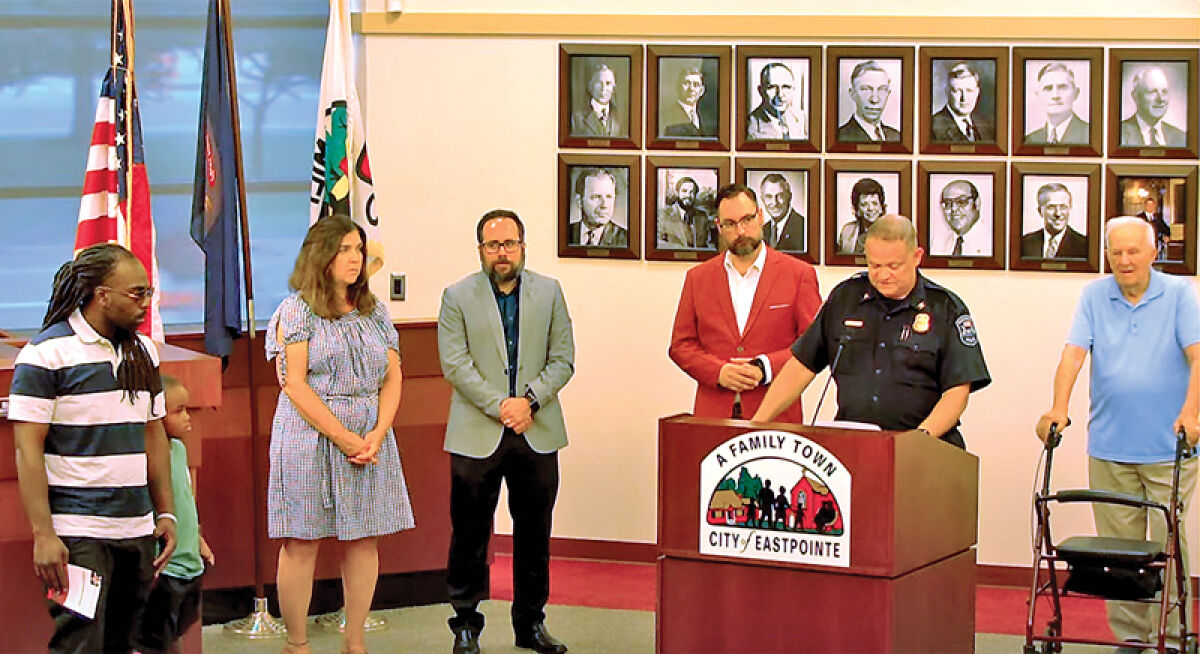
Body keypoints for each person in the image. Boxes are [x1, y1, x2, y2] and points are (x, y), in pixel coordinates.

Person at [1034, 216, 1199, 654]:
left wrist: (1190, 411)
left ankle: (1178, 633)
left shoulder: (1180, 294)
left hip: (1169, 447)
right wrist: (1058, 408)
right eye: (1115, 252)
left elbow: (1199, 356)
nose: (1124, 261)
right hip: (1110, 444)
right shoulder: (1094, 295)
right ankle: (1131, 637)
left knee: (1167, 543)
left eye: (1133, 251)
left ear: (1153, 252)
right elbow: (1072, 356)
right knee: (1120, 550)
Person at [9, 243, 177, 654]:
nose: (145, 303)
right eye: (137, 294)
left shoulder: (143, 352)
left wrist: (167, 511)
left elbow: (154, 434)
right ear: (102, 295)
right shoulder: (46, 354)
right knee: (80, 644)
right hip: (78, 533)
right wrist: (43, 534)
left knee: (124, 643)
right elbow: (27, 450)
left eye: (149, 293)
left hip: (136, 529)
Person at [266, 215, 414, 654]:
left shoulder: (374, 311)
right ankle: (297, 644)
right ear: (321, 256)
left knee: (363, 538)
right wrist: (344, 438)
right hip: (308, 437)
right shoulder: (295, 310)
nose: (355, 258)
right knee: (302, 540)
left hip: (370, 436)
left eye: (358, 249)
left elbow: (393, 376)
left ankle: (355, 641)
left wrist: (377, 433)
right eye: (345, 249)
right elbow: (293, 383)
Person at [438, 209, 575, 654]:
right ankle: (465, 625)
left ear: (523, 245)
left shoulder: (550, 292)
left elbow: (564, 359)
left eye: (509, 244)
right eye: (492, 245)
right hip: (477, 431)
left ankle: (530, 624)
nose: (502, 253)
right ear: (480, 249)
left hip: (536, 430)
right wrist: (501, 406)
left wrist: (529, 401)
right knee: (470, 533)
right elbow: (455, 365)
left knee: (534, 532)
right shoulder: (456, 296)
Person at [753, 215, 991, 450]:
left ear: (917, 257)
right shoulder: (846, 299)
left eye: (893, 266)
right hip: (855, 448)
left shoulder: (945, 308)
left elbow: (958, 390)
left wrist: (920, 439)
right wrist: (757, 423)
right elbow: (801, 365)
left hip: (926, 451)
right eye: (874, 265)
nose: (883, 275)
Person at [669, 183, 821, 423]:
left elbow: (814, 344)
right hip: (714, 416)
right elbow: (681, 346)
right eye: (730, 224)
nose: (740, 231)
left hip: (776, 417)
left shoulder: (799, 274)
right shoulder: (698, 278)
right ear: (719, 227)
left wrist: (765, 368)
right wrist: (718, 372)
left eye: (747, 219)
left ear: (760, 216)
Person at [133, 374, 215, 654]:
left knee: (178, 628)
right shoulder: (146, 456)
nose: (188, 418)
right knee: (156, 639)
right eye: (178, 411)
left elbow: (186, 499)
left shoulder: (179, 449)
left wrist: (198, 539)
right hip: (166, 569)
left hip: (190, 564)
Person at [1119, 67, 1186, 148]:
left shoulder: (1181, 138)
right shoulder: (1118, 134)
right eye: (1152, 92)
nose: (1161, 99)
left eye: (1164, 92)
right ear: (1136, 96)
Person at [1025, 62, 1090, 145]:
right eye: (1048, 89)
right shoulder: (1030, 140)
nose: (1055, 96)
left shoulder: (1090, 135)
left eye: (1063, 87)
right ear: (1038, 95)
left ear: (1076, 93)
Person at [837, 61, 901, 143]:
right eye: (866, 89)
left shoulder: (897, 136)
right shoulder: (840, 137)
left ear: (888, 94)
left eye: (882, 89)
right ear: (852, 94)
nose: (875, 99)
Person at [930, 62, 994, 143]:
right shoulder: (932, 127)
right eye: (958, 91)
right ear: (947, 92)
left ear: (977, 92)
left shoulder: (985, 124)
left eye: (969, 90)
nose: (964, 98)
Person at [1021, 182, 1088, 259]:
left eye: (1063, 207)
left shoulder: (1084, 246)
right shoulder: (1025, 243)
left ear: (1070, 209)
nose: (1058, 213)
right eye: (1051, 207)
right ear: (1040, 211)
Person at [747, 62, 807, 141]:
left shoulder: (802, 119)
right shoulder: (749, 126)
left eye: (786, 87)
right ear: (760, 91)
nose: (780, 95)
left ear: (793, 89)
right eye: (772, 87)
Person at [568, 168, 627, 248]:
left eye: (609, 197)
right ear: (579, 201)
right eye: (596, 197)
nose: (604, 205)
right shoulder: (563, 234)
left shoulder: (626, 239)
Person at [931, 179, 990, 257]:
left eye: (962, 202)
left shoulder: (992, 243)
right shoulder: (937, 244)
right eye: (948, 203)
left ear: (977, 203)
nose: (954, 208)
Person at [658, 176, 713, 249]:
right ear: (677, 192)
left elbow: (709, 245)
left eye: (691, 192)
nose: (688, 195)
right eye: (684, 191)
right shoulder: (664, 215)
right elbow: (659, 243)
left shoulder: (702, 216)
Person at [570, 62, 622, 138]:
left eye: (608, 84)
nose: (603, 89)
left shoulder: (619, 116)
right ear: (590, 86)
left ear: (614, 88)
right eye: (599, 83)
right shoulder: (577, 117)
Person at [662, 65, 715, 137]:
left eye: (696, 85)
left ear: (701, 91)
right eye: (687, 83)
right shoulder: (666, 115)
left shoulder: (706, 119)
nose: (691, 89)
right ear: (678, 87)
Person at [837, 177, 886, 255]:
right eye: (864, 204)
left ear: (881, 207)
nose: (870, 208)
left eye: (875, 203)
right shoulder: (847, 231)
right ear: (857, 209)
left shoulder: (893, 232)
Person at [759, 174, 806, 251]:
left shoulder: (804, 227)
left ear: (789, 196)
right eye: (768, 197)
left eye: (780, 196)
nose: (774, 203)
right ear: (762, 199)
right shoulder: (762, 231)